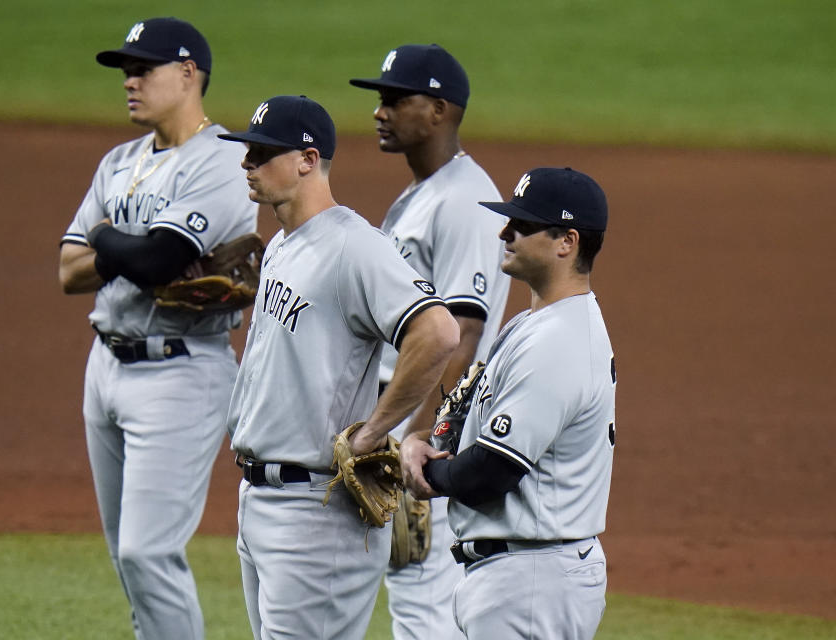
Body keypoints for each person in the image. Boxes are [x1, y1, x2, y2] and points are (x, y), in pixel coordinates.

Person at [216, 95, 460, 640]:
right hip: (261, 498)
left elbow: (439, 331)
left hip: (315, 510)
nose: (247, 164)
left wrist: (376, 431)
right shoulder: (281, 243)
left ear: (307, 159)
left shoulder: (354, 246)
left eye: (261, 153)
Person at [57, 17, 257, 640]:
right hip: (106, 367)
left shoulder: (223, 159)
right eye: (125, 69)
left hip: (181, 372)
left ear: (189, 73)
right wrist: (130, 249)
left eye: (144, 68)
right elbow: (68, 272)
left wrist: (109, 239)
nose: (130, 80)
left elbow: (157, 261)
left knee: (149, 552)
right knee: (126, 556)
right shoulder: (119, 162)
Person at [401, 167, 616, 639]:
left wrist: (420, 472)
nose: (505, 232)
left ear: (567, 242)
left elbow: (491, 472)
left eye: (522, 224)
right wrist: (423, 438)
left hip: (533, 582)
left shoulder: (558, 342)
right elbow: (462, 418)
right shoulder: (531, 325)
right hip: (518, 575)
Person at [349, 43, 510, 640]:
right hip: (405, 410)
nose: (379, 112)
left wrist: (419, 435)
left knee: (422, 597)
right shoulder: (424, 194)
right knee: (409, 592)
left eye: (395, 100)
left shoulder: (464, 201)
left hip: (426, 421)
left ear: (440, 109)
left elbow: (462, 333)